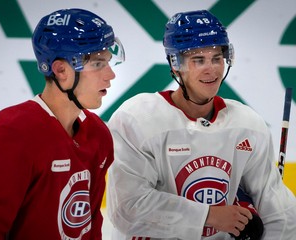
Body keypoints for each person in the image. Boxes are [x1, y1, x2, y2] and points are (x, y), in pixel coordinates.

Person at [106, 9, 296, 240]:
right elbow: (128, 209)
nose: (211, 68)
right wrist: (210, 215)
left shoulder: (247, 124)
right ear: (175, 64)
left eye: (217, 58)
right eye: (199, 60)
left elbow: (280, 212)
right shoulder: (136, 118)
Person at [0, 8, 124, 240]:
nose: (110, 74)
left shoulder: (99, 134)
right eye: (97, 64)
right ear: (61, 70)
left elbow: (90, 226)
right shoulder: (13, 131)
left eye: (108, 61)